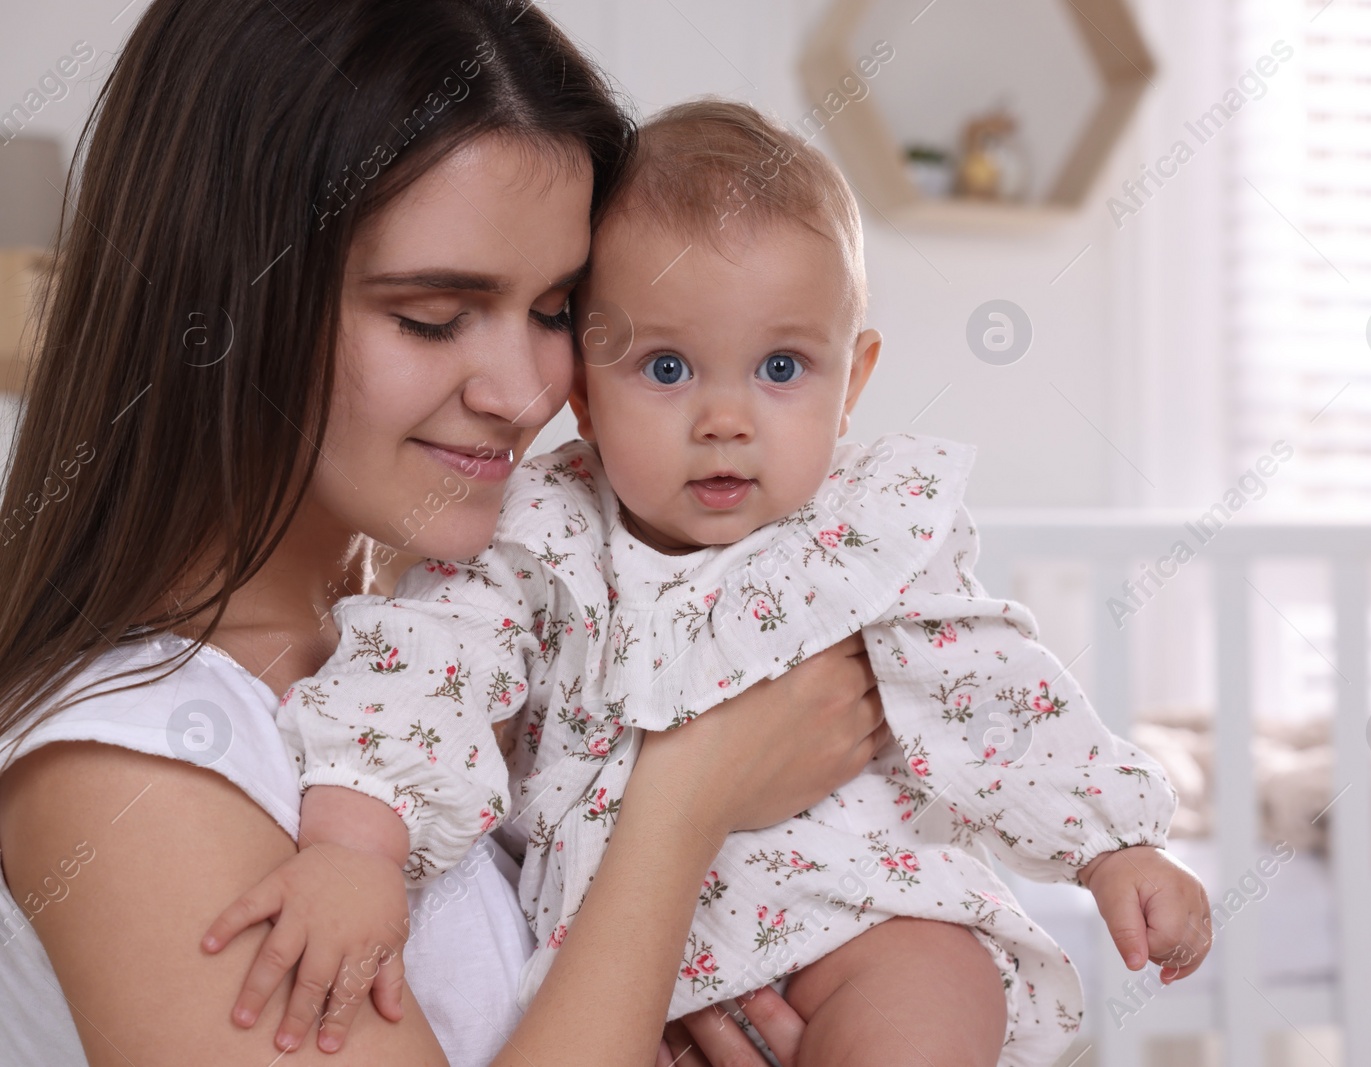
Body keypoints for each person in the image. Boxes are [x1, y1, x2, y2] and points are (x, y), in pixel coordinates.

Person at [228, 101, 1214, 1066]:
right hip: (631, 957)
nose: (725, 418)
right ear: (582, 394)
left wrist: (1114, 844)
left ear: (853, 381)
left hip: (871, 910)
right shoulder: (539, 538)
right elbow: (422, 668)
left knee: (930, 994)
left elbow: (996, 689)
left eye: (781, 365)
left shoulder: (869, 531)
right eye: (666, 367)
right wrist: (355, 848)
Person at [0, 3, 888, 1065]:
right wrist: (681, 807)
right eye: (431, 317)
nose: (523, 394)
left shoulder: (461, 640)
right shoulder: (128, 774)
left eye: (557, 311)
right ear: (226, 302)